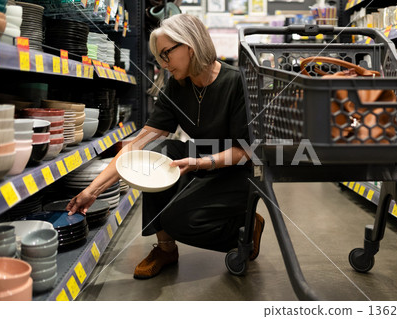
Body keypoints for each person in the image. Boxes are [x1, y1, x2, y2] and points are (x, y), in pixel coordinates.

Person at [66, 14, 265, 279]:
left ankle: (245, 231)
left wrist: (201, 163)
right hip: (200, 160)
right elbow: (139, 144)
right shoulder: (177, 86)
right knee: (155, 153)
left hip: (236, 170)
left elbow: (246, 152)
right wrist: (93, 189)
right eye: (159, 57)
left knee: (179, 220)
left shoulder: (235, 82)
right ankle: (165, 249)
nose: (162, 63)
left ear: (189, 46)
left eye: (166, 54)